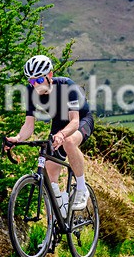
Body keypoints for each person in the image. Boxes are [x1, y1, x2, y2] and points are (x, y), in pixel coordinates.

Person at [6, 55, 95, 213]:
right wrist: (18, 138)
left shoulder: (68, 86)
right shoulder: (30, 92)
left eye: (39, 80)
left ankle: (82, 189)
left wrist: (62, 135)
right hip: (59, 122)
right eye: (31, 81)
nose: (36, 85)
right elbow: (29, 125)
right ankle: (61, 210)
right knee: (49, 166)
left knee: (68, 142)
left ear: (50, 75)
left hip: (81, 119)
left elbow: (74, 121)